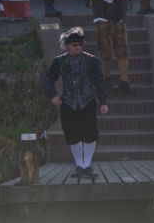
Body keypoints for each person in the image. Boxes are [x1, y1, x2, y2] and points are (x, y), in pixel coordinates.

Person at [43, 27, 110, 179]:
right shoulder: (58, 61)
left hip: (88, 101)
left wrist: (103, 102)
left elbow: (100, 81)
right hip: (68, 103)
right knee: (72, 134)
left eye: (80, 44)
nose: (78, 47)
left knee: (90, 134)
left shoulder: (92, 60)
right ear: (67, 45)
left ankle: (87, 165)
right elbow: (49, 78)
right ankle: (80, 165)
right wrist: (52, 95)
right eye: (74, 45)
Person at [90, 0, 134, 91]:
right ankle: (105, 80)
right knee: (106, 52)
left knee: (123, 51)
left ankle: (124, 82)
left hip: (119, 20)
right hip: (104, 21)